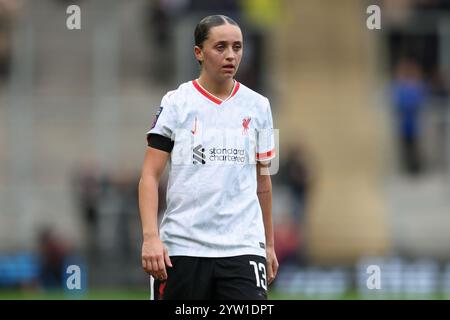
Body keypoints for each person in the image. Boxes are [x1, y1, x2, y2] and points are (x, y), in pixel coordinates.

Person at [138, 15, 278, 300]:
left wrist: (269, 244)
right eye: (220, 47)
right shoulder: (176, 103)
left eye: (237, 47)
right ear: (198, 53)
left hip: (242, 247)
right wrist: (151, 238)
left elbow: (263, 181)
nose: (231, 55)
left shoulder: (260, 106)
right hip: (183, 248)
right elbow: (149, 176)